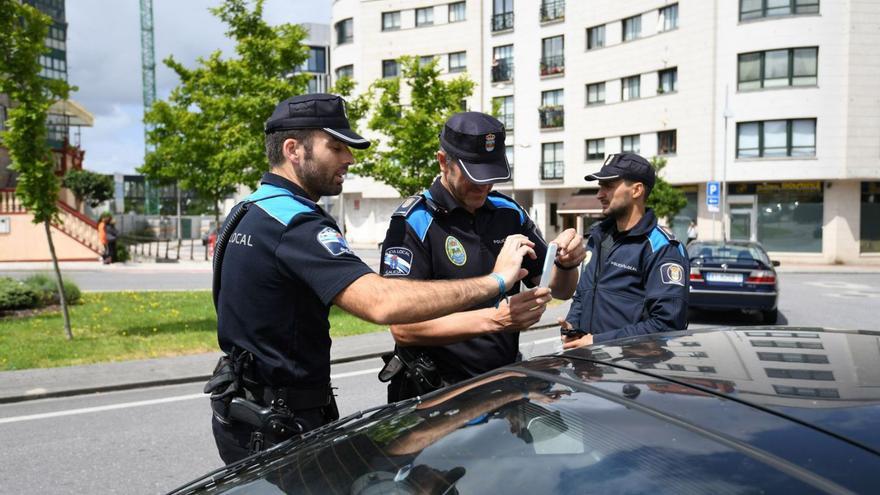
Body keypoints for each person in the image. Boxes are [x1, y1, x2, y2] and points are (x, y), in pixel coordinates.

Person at [207, 93, 543, 465]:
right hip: (280, 422)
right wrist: (496, 281)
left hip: (243, 410)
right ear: (293, 150)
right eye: (336, 147)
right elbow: (381, 303)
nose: (349, 158)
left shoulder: (248, 211)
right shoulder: (296, 223)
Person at [378, 111, 586, 402]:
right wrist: (497, 319)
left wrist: (566, 262)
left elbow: (560, 289)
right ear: (443, 162)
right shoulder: (414, 221)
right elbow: (404, 328)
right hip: (435, 394)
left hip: (505, 386)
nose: (483, 187)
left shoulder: (509, 213)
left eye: (490, 176)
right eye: (473, 176)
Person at [559, 152, 689, 349]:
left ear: (637, 190)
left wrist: (597, 342)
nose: (599, 194)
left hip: (630, 373)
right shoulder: (597, 237)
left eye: (608, 186)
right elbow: (582, 294)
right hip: (587, 367)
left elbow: (667, 324)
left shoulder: (662, 247)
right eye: (600, 186)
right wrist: (573, 328)